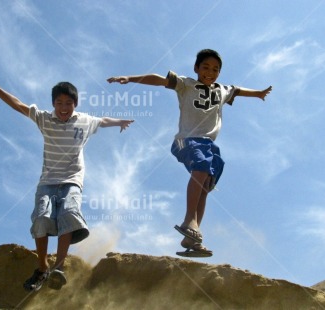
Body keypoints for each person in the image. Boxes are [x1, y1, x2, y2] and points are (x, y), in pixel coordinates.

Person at [0, 66, 133, 291]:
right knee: (41, 218)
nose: (63, 108)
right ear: (53, 104)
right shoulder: (44, 119)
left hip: (72, 181)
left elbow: (102, 120)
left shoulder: (84, 121)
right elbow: (17, 104)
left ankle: (58, 268)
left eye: (68, 103)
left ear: (75, 104)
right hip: (47, 182)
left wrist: (119, 122)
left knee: (68, 213)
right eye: (59, 103)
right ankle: (42, 268)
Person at [107, 49, 272, 256]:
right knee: (201, 167)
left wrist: (257, 93)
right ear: (196, 68)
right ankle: (188, 221)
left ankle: (192, 237)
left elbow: (237, 90)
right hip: (185, 141)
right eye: (205, 67)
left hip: (209, 145)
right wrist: (130, 78)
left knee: (205, 185)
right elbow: (159, 80)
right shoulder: (186, 84)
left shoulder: (222, 90)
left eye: (215, 69)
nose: (210, 72)